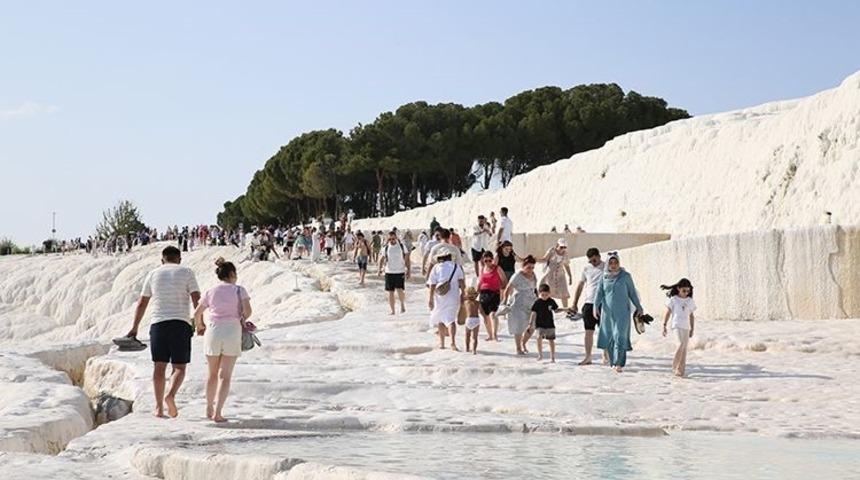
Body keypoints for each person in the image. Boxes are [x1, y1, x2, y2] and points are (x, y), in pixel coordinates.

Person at [124, 246, 200, 418]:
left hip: (158, 324)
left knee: (159, 366)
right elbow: (196, 298)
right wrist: (200, 321)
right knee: (179, 367)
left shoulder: (153, 274)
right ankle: (170, 395)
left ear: (162, 260)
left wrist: (134, 328)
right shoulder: (187, 272)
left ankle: (158, 407)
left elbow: (142, 303)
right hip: (180, 323)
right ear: (179, 259)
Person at [192, 258, 252, 423]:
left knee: (211, 374)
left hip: (213, 331)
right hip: (232, 330)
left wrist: (200, 325)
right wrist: (241, 318)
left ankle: (208, 407)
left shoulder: (211, 291)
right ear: (232, 274)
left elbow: (197, 313)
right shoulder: (240, 290)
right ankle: (218, 413)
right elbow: (248, 311)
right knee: (225, 375)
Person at [595, 252, 643, 373]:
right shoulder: (604, 277)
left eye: (616, 262)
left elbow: (632, 293)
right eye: (611, 263)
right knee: (610, 337)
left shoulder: (625, 276)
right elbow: (599, 293)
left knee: (619, 336)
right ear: (607, 264)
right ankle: (613, 362)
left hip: (622, 312)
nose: (613, 265)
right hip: (607, 312)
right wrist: (595, 307)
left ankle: (619, 363)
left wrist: (639, 307)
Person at [571, 248, 606, 365]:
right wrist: (574, 302)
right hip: (589, 303)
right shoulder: (586, 269)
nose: (592, 263)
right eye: (590, 261)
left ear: (599, 256)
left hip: (603, 303)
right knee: (588, 332)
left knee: (605, 330)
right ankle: (588, 357)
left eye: (594, 260)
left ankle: (606, 356)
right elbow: (580, 285)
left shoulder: (607, 267)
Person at [427, 252, 465, 350]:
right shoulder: (457, 267)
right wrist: (463, 294)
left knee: (440, 318)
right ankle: (452, 343)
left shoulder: (436, 267)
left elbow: (432, 284)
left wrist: (430, 298)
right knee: (451, 319)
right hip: (453, 295)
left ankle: (442, 343)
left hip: (440, 296)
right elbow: (461, 282)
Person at [501, 255, 538, 355]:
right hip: (518, 301)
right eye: (528, 267)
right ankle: (518, 348)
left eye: (532, 267)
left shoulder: (533, 274)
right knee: (519, 325)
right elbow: (508, 288)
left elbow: (535, 289)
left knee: (533, 325)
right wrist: (504, 302)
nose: (531, 269)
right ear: (523, 266)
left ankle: (523, 343)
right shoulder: (518, 275)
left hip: (531, 301)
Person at [661, 279, 696, 377]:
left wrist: (692, 329)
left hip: (686, 327)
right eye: (684, 290)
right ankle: (674, 366)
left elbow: (691, 316)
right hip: (676, 325)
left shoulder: (690, 301)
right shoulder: (673, 299)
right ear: (678, 288)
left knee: (684, 349)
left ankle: (680, 371)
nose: (686, 293)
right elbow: (668, 312)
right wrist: (664, 325)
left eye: (688, 291)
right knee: (680, 344)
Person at [530, 284, 567, 362]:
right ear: (539, 294)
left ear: (549, 293)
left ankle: (552, 357)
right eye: (542, 295)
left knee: (551, 340)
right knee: (538, 338)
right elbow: (533, 313)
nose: (544, 296)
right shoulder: (537, 302)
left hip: (550, 324)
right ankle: (540, 354)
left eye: (546, 295)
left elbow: (556, 310)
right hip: (539, 324)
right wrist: (530, 323)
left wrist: (564, 309)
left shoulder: (551, 301)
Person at [378, 231, 411, 315]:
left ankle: (402, 306)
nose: (391, 240)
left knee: (400, 290)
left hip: (400, 271)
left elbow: (407, 258)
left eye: (393, 239)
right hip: (389, 271)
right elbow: (381, 259)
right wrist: (379, 269)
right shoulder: (385, 247)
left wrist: (408, 270)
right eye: (390, 239)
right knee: (390, 292)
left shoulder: (401, 246)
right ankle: (392, 310)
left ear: (396, 238)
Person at [477, 251, 506, 341]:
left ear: (492, 260)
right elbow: (480, 281)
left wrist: (503, 292)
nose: (488, 262)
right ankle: (489, 335)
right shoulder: (482, 269)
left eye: (490, 260)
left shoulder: (497, 268)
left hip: (494, 293)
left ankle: (495, 334)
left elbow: (504, 280)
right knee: (485, 315)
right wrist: (476, 291)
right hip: (483, 293)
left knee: (493, 314)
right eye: (486, 260)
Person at [540, 239, 573, 307]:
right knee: (548, 291)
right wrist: (535, 259)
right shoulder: (552, 251)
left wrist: (570, 276)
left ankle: (565, 309)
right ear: (557, 245)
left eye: (564, 247)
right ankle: (543, 307)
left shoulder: (565, 254)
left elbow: (566, 265)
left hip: (561, 275)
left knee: (564, 291)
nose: (563, 249)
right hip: (550, 275)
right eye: (561, 247)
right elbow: (545, 259)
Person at [463, 287, 481, 354]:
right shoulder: (477, 303)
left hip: (469, 320)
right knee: (475, 337)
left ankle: (467, 348)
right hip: (476, 319)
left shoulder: (466, 302)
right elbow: (481, 311)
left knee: (467, 335)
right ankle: (474, 350)